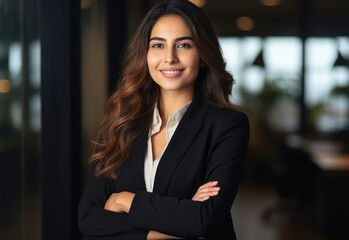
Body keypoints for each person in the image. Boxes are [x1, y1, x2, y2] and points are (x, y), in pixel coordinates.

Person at [78, 0, 249, 239]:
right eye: (158, 45)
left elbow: (205, 219)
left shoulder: (227, 125)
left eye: (184, 45)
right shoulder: (121, 122)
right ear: (146, 54)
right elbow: (89, 219)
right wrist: (171, 228)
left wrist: (125, 200)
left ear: (201, 54)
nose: (169, 57)